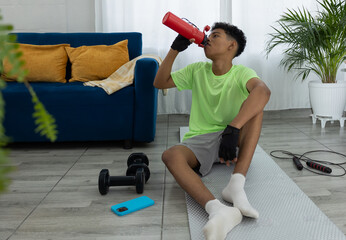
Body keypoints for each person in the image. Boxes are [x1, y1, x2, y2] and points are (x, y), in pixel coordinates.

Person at [154, 22, 271, 240]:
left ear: (231, 46)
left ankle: (236, 185)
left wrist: (234, 128)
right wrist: (174, 50)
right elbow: (159, 82)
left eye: (215, 35)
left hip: (233, 137)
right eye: (209, 35)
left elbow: (263, 91)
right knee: (170, 155)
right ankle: (217, 209)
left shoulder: (241, 73)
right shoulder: (197, 70)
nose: (208, 38)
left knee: (257, 107)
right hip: (201, 140)